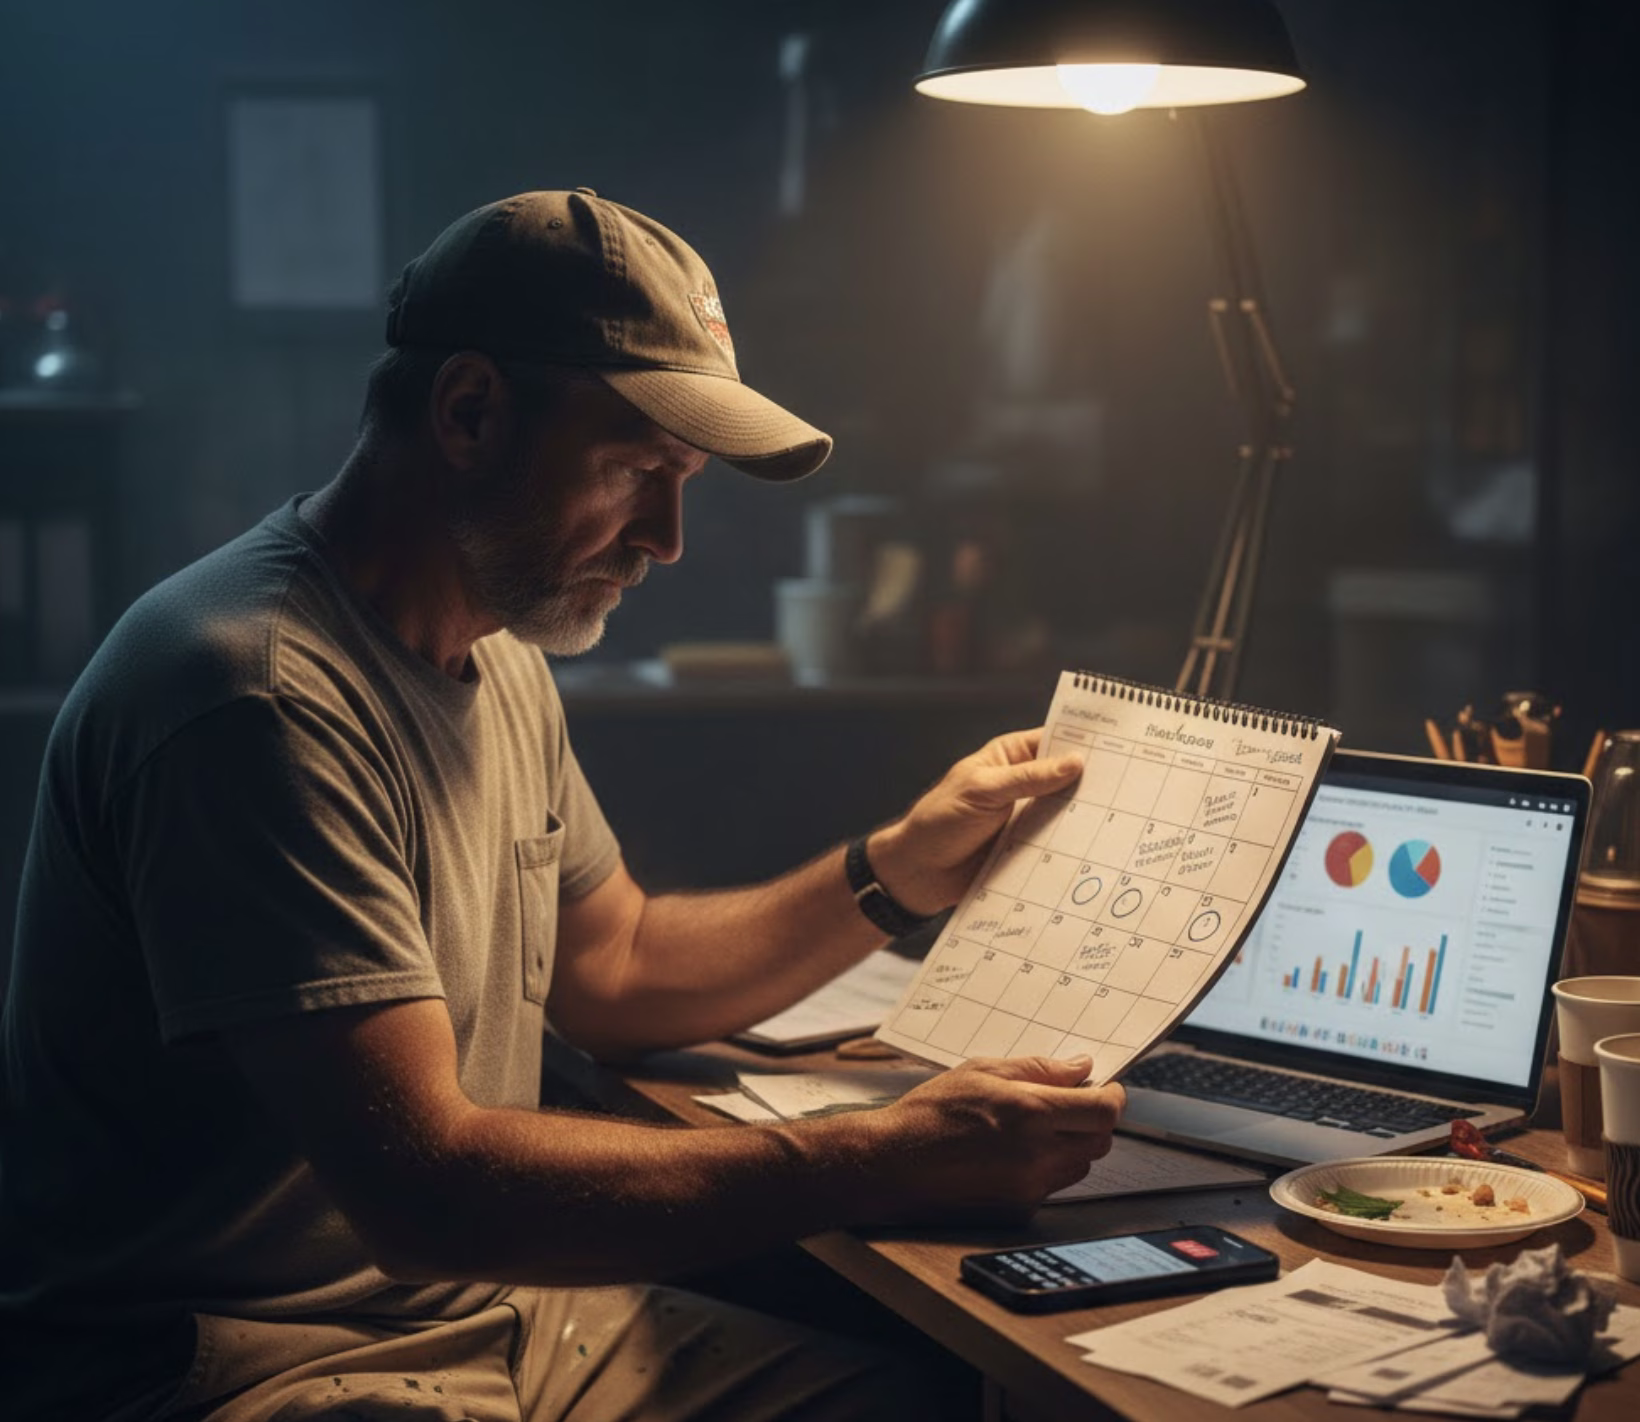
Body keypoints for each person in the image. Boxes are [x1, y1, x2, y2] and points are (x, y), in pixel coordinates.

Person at [0, 190, 1125, 1421]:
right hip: (242, 1367)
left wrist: (898, 869)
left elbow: (620, 968)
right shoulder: (252, 692)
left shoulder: (497, 653)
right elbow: (426, 1188)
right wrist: (877, 1157)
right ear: (469, 411)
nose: (668, 536)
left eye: (684, 478)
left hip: (483, 1312)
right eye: (639, 469)